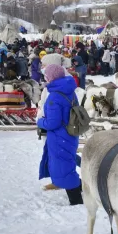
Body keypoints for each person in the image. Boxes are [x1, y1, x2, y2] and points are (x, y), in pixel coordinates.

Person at [37, 64, 83, 206]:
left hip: (59, 138)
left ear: (51, 78)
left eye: (46, 77)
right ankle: (82, 187)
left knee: (64, 169)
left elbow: (53, 123)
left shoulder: (54, 97)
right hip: (70, 134)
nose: (45, 79)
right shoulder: (69, 90)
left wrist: (40, 121)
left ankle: (76, 202)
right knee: (67, 164)